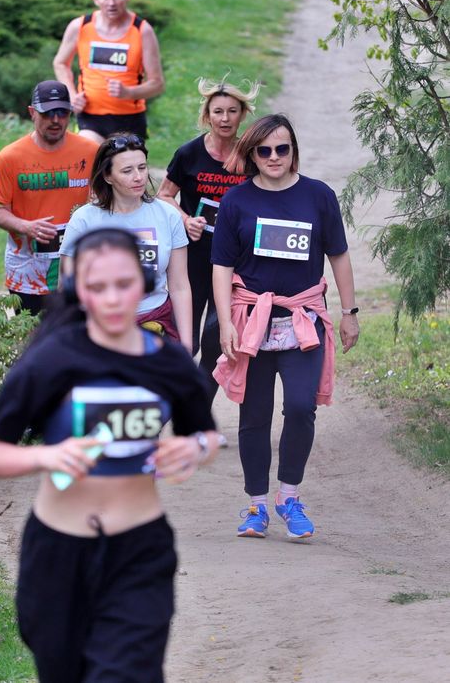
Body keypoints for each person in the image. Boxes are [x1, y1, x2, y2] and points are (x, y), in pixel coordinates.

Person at [0, 227, 219, 683]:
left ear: (144, 282)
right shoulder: (51, 360)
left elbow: (206, 436)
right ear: (77, 289)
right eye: (97, 287)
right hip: (57, 553)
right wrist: (47, 457)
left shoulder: (167, 360)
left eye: (123, 284)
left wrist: (194, 448)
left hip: (139, 550)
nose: (112, 299)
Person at [211, 114, 359, 539]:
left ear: (293, 151)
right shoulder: (236, 201)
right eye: (264, 150)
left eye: (282, 149)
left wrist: (349, 312)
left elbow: (338, 255)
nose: (273, 157)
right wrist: (225, 323)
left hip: (302, 320)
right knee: (254, 415)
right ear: (251, 154)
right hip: (252, 322)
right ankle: (256, 505)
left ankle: (288, 497)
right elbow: (221, 266)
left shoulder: (318, 196)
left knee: (299, 407)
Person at [157, 77, 259, 401]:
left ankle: (197, 411)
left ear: (243, 114)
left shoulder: (251, 156)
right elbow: (164, 196)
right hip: (192, 260)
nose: (225, 119)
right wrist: (186, 220)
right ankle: (166, 406)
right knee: (185, 341)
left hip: (233, 264)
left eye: (232, 111)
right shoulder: (189, 154)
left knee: (217, 343)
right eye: (218, 112)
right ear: (207, 115)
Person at [60, 133, 193, 350]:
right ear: (107, 176)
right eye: (127, 171)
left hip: (155, 321)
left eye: (142, 167)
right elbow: (67, 286)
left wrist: (186, 345)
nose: (138, 177)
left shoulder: (168, 215)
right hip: (100, 325)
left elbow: (179, 286)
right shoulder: (84, 219)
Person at [0, 80, 99, 315]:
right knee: (30, 333)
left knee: (74, 332)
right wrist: (26, 227)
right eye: (47, 113)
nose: (56, 120)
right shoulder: (10, 157)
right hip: (27, 268)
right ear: (32, 112)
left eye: (62, 113)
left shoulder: (90, 151)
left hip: (77, 264)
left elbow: (104, 199)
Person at [53, 0, 164, 143]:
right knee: (89, 154)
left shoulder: (142, 30)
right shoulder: (80, 26)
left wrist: (128, 92)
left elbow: (157, 84)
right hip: (90, 118)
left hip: (129, 119)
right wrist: (72, 96)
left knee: (124, 161)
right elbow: (60, 63)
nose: (111, 3)